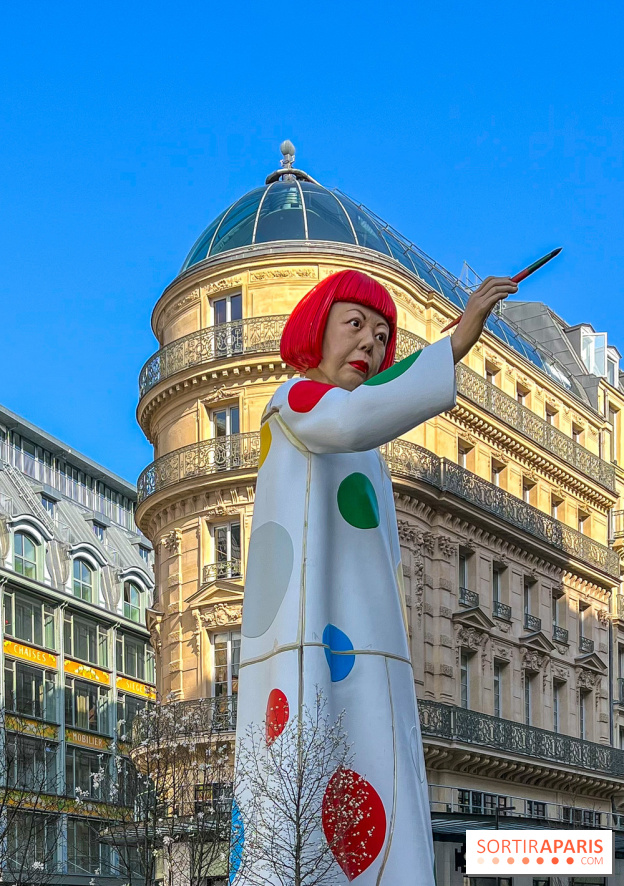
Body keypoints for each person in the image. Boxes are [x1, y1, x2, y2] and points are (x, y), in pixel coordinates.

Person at [234, 269, 517, 884]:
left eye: (382, 334)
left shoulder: (363, 443)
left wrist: (442, 350)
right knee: (317, 768)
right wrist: (455, 343)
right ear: (317, 329)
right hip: (313, 635)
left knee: (373, 761)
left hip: (364, 642)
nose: (370, 342)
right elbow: (353, 416)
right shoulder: (298, 399)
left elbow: (370, 404)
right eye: (355, 324)